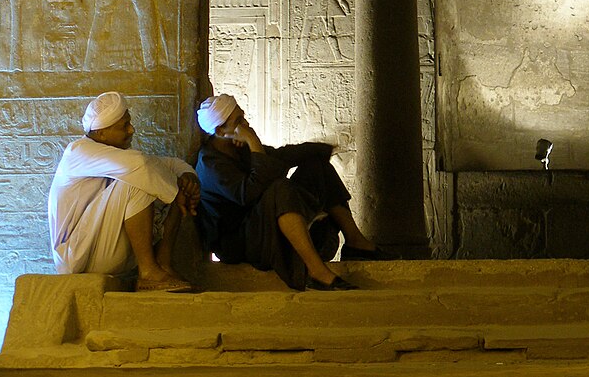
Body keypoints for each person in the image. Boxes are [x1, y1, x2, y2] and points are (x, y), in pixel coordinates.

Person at [193, 94, 389, 292]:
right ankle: (316, 272)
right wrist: (253, 141)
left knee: (317, 168)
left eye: (243, 117)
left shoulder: (239, 148)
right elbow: (249, 193)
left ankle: (356, 242)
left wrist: (320, 149)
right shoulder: (210, 164)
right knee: (279, 189)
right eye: (238, 121)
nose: (246, 124)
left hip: (261, 223)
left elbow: (279, 158)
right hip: (240, 241)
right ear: (220, 131)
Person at [47, 92, 200, 292]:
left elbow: (171, 164)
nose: (131, 130)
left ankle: (163, 265)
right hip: (78, 256)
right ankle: (148, 272)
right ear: (101, 133)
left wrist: (189, 179)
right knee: (139, 181)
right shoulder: (78, 152)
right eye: (124, 126)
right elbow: (142, 165)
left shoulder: (120, 156)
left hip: (105, 250)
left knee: (158, 179)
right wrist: (176, 190)